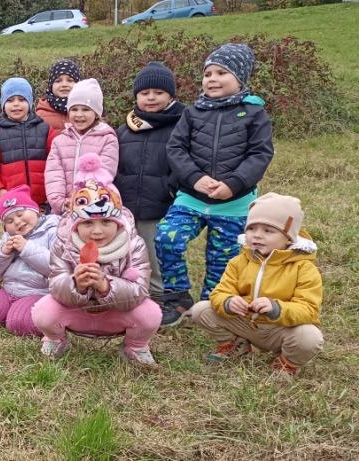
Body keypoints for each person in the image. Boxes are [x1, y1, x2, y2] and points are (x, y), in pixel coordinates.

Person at [156, 43, 274, 325]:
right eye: (208, 73)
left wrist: (233, 184)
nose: (212, 79)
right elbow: (176, 148)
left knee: (222, 259)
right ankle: (177, 297)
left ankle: (211, 304)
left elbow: (260, 154)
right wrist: (195, 178)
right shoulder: (193, 112)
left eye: (221, 73)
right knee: (167, 237)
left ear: (240, 78)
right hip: (191, 197)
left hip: (235, 202)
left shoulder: (254, 113)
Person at [31, 179, 162, 368]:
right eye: (87, 223)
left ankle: (135, 346)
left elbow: (140, 290)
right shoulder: (63, 244)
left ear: (118, 222)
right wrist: (77, 284)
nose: (97, 231)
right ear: (76, 225)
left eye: (106, 221)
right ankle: (55, 340)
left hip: (116, 313)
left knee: (151, 313)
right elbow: (56, 285)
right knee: (43, 310)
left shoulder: (134, 244)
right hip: (77, 312)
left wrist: (106, 286)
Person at [190, 193, 323, 377]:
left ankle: (287, 364)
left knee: (309, 337)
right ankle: (236, 346)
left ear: (288, 238)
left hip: (279, 329)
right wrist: (228, 302)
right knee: (201, 310)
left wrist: (276, 308)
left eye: (268, 231)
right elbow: (219, 293)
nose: (257, 235)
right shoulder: (239, 262)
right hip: (244, 322)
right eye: (252, 228)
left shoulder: (304, 268)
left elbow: (309, 310)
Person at [114, 62, 186, 306]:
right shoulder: (125, 129)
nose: (151, 98)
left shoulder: (181, 125)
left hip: (161, 204)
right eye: (145, 93)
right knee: (129, 252)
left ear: (171, 96)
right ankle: (132, 292)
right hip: (128, 204)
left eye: (158, 92)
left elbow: (185, 163)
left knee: (156, 253)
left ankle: (161, 295)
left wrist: (170, 188)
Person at [0, 185, 58, 336]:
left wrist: (26, 248)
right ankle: (11, 310)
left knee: (19, 324)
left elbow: (56, 267)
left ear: (36, 210)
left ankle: (41, 314)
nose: (17, 221)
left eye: (21, 214)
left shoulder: (52, 230)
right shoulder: (9, 237)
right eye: (9, 220)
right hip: (9, 290)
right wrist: (3, 252)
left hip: (38, 292)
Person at [0, 77, 57, 213]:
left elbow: (56, 162)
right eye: (10, 100)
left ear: (30, 102)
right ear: (3, 105)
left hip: (44, 203)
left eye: (21, 99)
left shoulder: (45, 129)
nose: (16, 104)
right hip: (13, 204)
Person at [44, 78, 118, 215]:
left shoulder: (107, 139)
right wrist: (59, 202)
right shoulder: (59, 141)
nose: (79, 115)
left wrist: (82, 199)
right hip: (64, 210)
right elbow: (54, 175)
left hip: (93, 208)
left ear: (96, 113)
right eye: (74, 109)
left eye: (85, 109)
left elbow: (105, 171)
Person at [35, 59, 81, 130]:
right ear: (51, 85)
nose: (64, 84)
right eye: (58, 81)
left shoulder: (87, 110)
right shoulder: (41, 114)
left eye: (70, 80)